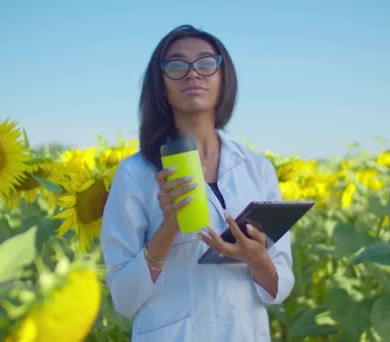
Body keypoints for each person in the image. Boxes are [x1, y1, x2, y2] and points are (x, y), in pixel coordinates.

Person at [100, 24, 294, 341]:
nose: (193, 74)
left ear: (223, 78)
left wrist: (256, 258)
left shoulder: (258, 168)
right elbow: (124, 298)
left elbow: (280, 287)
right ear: (160, 85)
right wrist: (168, 229)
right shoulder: (134, 174)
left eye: (206, 63)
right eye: (176, 66)